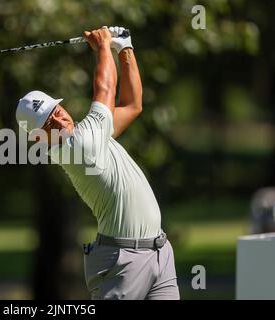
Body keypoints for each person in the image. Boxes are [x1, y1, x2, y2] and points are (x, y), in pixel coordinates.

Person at [15, 26, 179, 299]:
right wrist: (104, 46)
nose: (58, 119)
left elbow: (132, 105)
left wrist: (124, 48)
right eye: (47, 123)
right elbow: (105, 89)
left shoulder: (92, 134)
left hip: (160, 252)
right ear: (39, 138)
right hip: (122, 261)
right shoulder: (79, 147)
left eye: (55, 111)